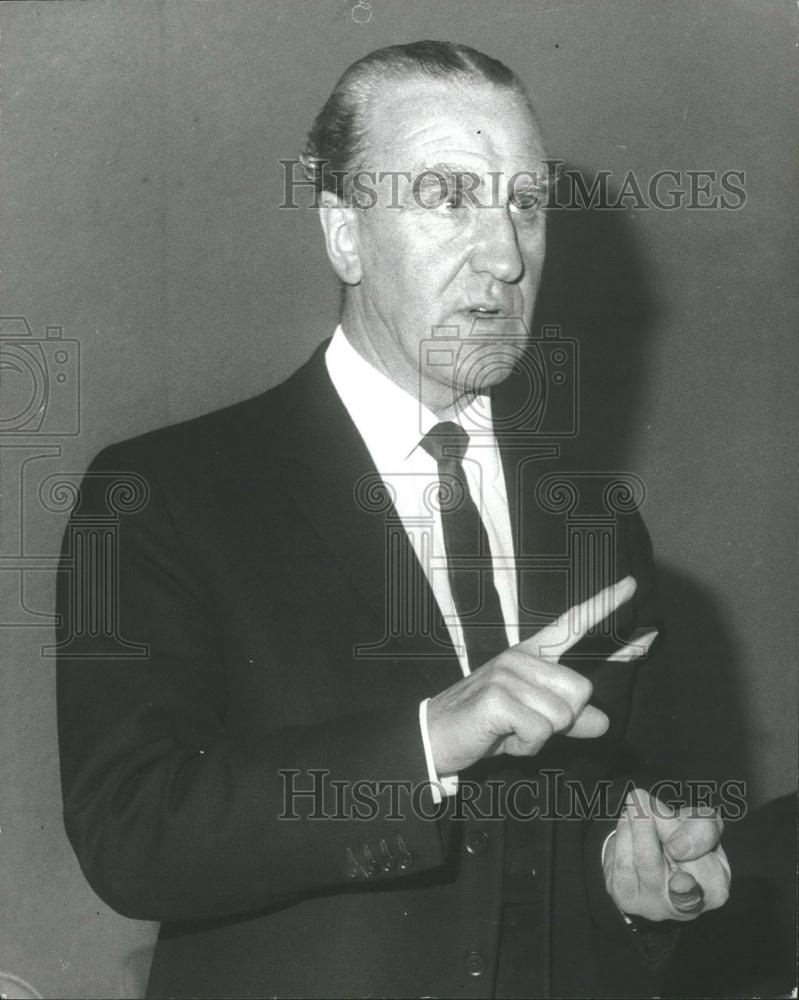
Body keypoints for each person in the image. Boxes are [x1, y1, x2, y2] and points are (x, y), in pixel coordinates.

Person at [56, 41, 730, 999]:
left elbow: (552, 851)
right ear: (342, 232)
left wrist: (635, 886)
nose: (504, 255)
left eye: (525, 205)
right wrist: (427, 739)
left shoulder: (596, 524)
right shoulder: (160, 494)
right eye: (449, 196)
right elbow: (132, 836)